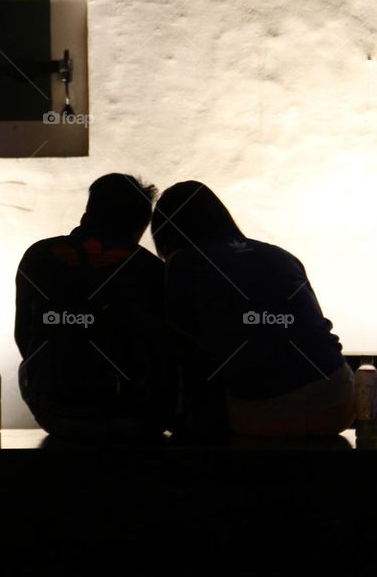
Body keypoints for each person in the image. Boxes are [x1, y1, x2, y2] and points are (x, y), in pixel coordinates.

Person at [150, 180, 356, 438]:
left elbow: (184, 350)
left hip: (261, 412)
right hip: (340, 399)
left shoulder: (184, 262)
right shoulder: (281, 255)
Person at [14, 173, 178, 442]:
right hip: (136, 418)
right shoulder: (151, 268)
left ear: (87, 214)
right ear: (139, 226)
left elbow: (24, 337)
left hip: (55, 413)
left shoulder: (39, 255)